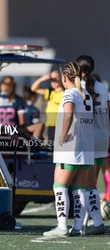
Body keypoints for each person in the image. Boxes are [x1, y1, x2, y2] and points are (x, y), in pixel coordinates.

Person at [43, 62, 94, 237]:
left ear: (64, 77)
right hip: (87, 147)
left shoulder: (69, 94)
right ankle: (78, 227)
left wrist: (63, 135)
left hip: (71, 148)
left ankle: (62, 227)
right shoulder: (86, 94)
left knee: (59, 186)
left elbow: (68, 113)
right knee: (79, 188)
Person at [77, 55, 108, 235]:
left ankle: (91, 222)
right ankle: (88, 222)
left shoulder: (78, 88)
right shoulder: (102, 87)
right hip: (103, 137)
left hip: (87, 138)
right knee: (92, 183)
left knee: (85, 184)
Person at [0, 76, 44, 140]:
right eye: (3, 83)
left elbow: (21, 122)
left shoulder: (18, 100)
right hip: (1, 130)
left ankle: (33, 143)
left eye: (8, 84)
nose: (4, 86)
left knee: (39, 126)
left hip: (14, 130)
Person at [31, 69, 64, 141]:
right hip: (50, 125)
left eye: (55, 78)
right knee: (51, 147)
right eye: (51, 79)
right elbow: (33, 88)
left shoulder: (65, 93)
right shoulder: (50, 92)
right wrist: (42, 79)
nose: (53, 81)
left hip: (61, 126)